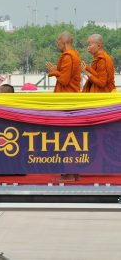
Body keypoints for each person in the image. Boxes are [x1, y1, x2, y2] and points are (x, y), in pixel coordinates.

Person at [45, 31, 82, 182]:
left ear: (63, 41)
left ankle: (69, 173)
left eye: (58, 41)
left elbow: (65, 80)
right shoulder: (75, 55)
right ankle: (75, 173)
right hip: (71, 100)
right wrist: (57, 70)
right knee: (72, 138)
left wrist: (54, 72)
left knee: (66, 138)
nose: (57, 44)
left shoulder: (68, 56)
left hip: (66, 101)